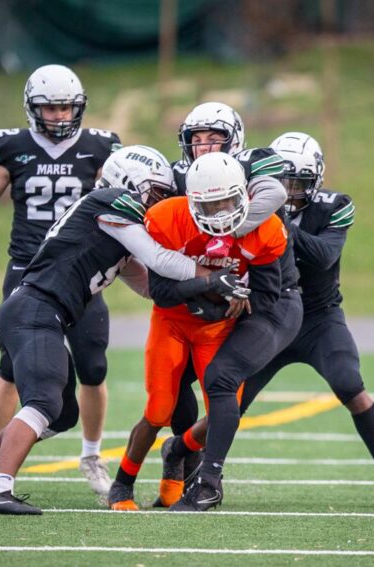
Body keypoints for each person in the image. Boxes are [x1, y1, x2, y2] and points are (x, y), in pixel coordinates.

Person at [0, 145, 220, 515]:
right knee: (43, 401)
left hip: (44, 312)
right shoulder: (109, 201)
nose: (159, 203)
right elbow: (159, 259)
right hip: (37, 307)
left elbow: (151, 286)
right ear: (129, 182)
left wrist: (203, 297)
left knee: (62, 413)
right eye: (155, 193)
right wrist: (211, 275)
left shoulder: (115, 231)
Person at [160, 132, 374, 507]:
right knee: (231, 400)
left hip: (318, 317)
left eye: (299, 184)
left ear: (316, 180)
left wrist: (278, 218)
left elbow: (324, 256)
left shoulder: (329, 207)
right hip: (268, 313)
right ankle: (181, 449)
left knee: (350, 384)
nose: (290, 191)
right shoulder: (245, 209)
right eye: (282, 183)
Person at [0, 64, 121, 496]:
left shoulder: (99, 148)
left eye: (65, 107)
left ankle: (91, 455)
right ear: (32, 108)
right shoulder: (12, 147)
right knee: (11, 370)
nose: (59, 115)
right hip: (27, 271)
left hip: (79, 274)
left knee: (93, 368)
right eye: (51, 107)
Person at [107, 151, 295, 511]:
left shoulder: (266, 228)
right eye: (211, 205)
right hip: (173, 321)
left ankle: (178, 458)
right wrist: (209, 287)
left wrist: (241, 297)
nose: (222, 212)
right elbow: (160, 292)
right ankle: (122, 483)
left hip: (219, 329)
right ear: (193, 203)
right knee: (159, 409)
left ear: (244, 195)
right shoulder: (167, 218)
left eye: (228, 201)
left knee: (225, 412)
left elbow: (269, 295)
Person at [163, 101, 290, 483]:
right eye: (196, 140)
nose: (204, 146)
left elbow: (275, 195)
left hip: (255, 283)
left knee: (226, 386)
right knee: (172, 387)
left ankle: (201, 469)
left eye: (214, 139)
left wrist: (223, 227)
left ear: (233, 141)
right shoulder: (178, 175)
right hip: (202, 285)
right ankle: (186, 453)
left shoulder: (255, 162)